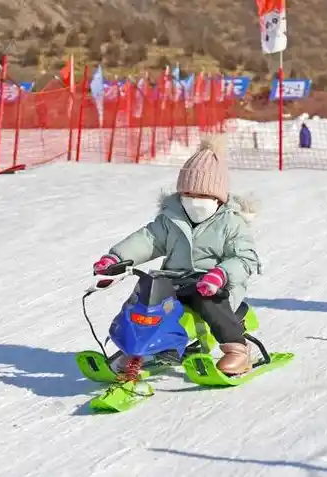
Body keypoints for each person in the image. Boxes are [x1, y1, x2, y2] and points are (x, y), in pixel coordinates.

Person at [93, 135, 262, 375]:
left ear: (218, 198)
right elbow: (148, 239)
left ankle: (237, 350)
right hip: (174, 278)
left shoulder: (232, 223)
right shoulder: (171, 218)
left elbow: (245, 259)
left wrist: (220, 275)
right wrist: (116, 258)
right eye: (188, 195)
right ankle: (133, 349)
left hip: (212, 283)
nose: (194, 202)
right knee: (144, 297)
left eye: (203, 196)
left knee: (209, 303)